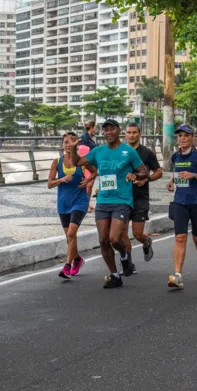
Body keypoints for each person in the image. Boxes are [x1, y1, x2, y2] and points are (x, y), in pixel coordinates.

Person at [69, 119, 148, 289]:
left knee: (114, 238)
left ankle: (124, 254)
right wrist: (74, 148)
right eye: (106, 130)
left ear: (118, 131)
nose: (109, 132)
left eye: (112, 129)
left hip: (122, 200)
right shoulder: (98, 151)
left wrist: (136, 176)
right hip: (103, 201)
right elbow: (77, 162)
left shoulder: (128, 152)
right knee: (103, 240)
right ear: (102, 133)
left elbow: (144, 171)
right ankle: (114, 275)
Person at [166, 125, 197, 288]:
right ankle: (178, 275)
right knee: (180, 237)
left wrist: (193, 175)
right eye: (180, 136)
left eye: (186, 136)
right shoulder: (175, 157)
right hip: (180, 202)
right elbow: (178, 175)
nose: (182, 138)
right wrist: (172, 182)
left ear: (192, 137)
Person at [48, 133, 97, 279]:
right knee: (69, 237)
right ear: (63, 145)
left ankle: (67, 267)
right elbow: (49, 184)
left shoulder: (81, 161)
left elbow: (95, 172)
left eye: (71, 142)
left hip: (79, 202)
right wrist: (61, 179)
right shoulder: (57, 162)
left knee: (71, 234)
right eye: (66, 142)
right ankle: (77, 259)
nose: (68, 145)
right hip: (63, 203)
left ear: (76, 143)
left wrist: (87, 180)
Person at [124, 123, 163, 266]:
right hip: (122, 198)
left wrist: (146, 179)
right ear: (125, 134)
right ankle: (128, 264)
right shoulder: (120, 152)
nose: (132, 135)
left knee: (137, 233)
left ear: (139, 134)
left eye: (134, 132)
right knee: (122, 234)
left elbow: (159, 171)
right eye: (129, 132)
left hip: (140, 197)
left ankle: (146, 242)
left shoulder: (146, 153)